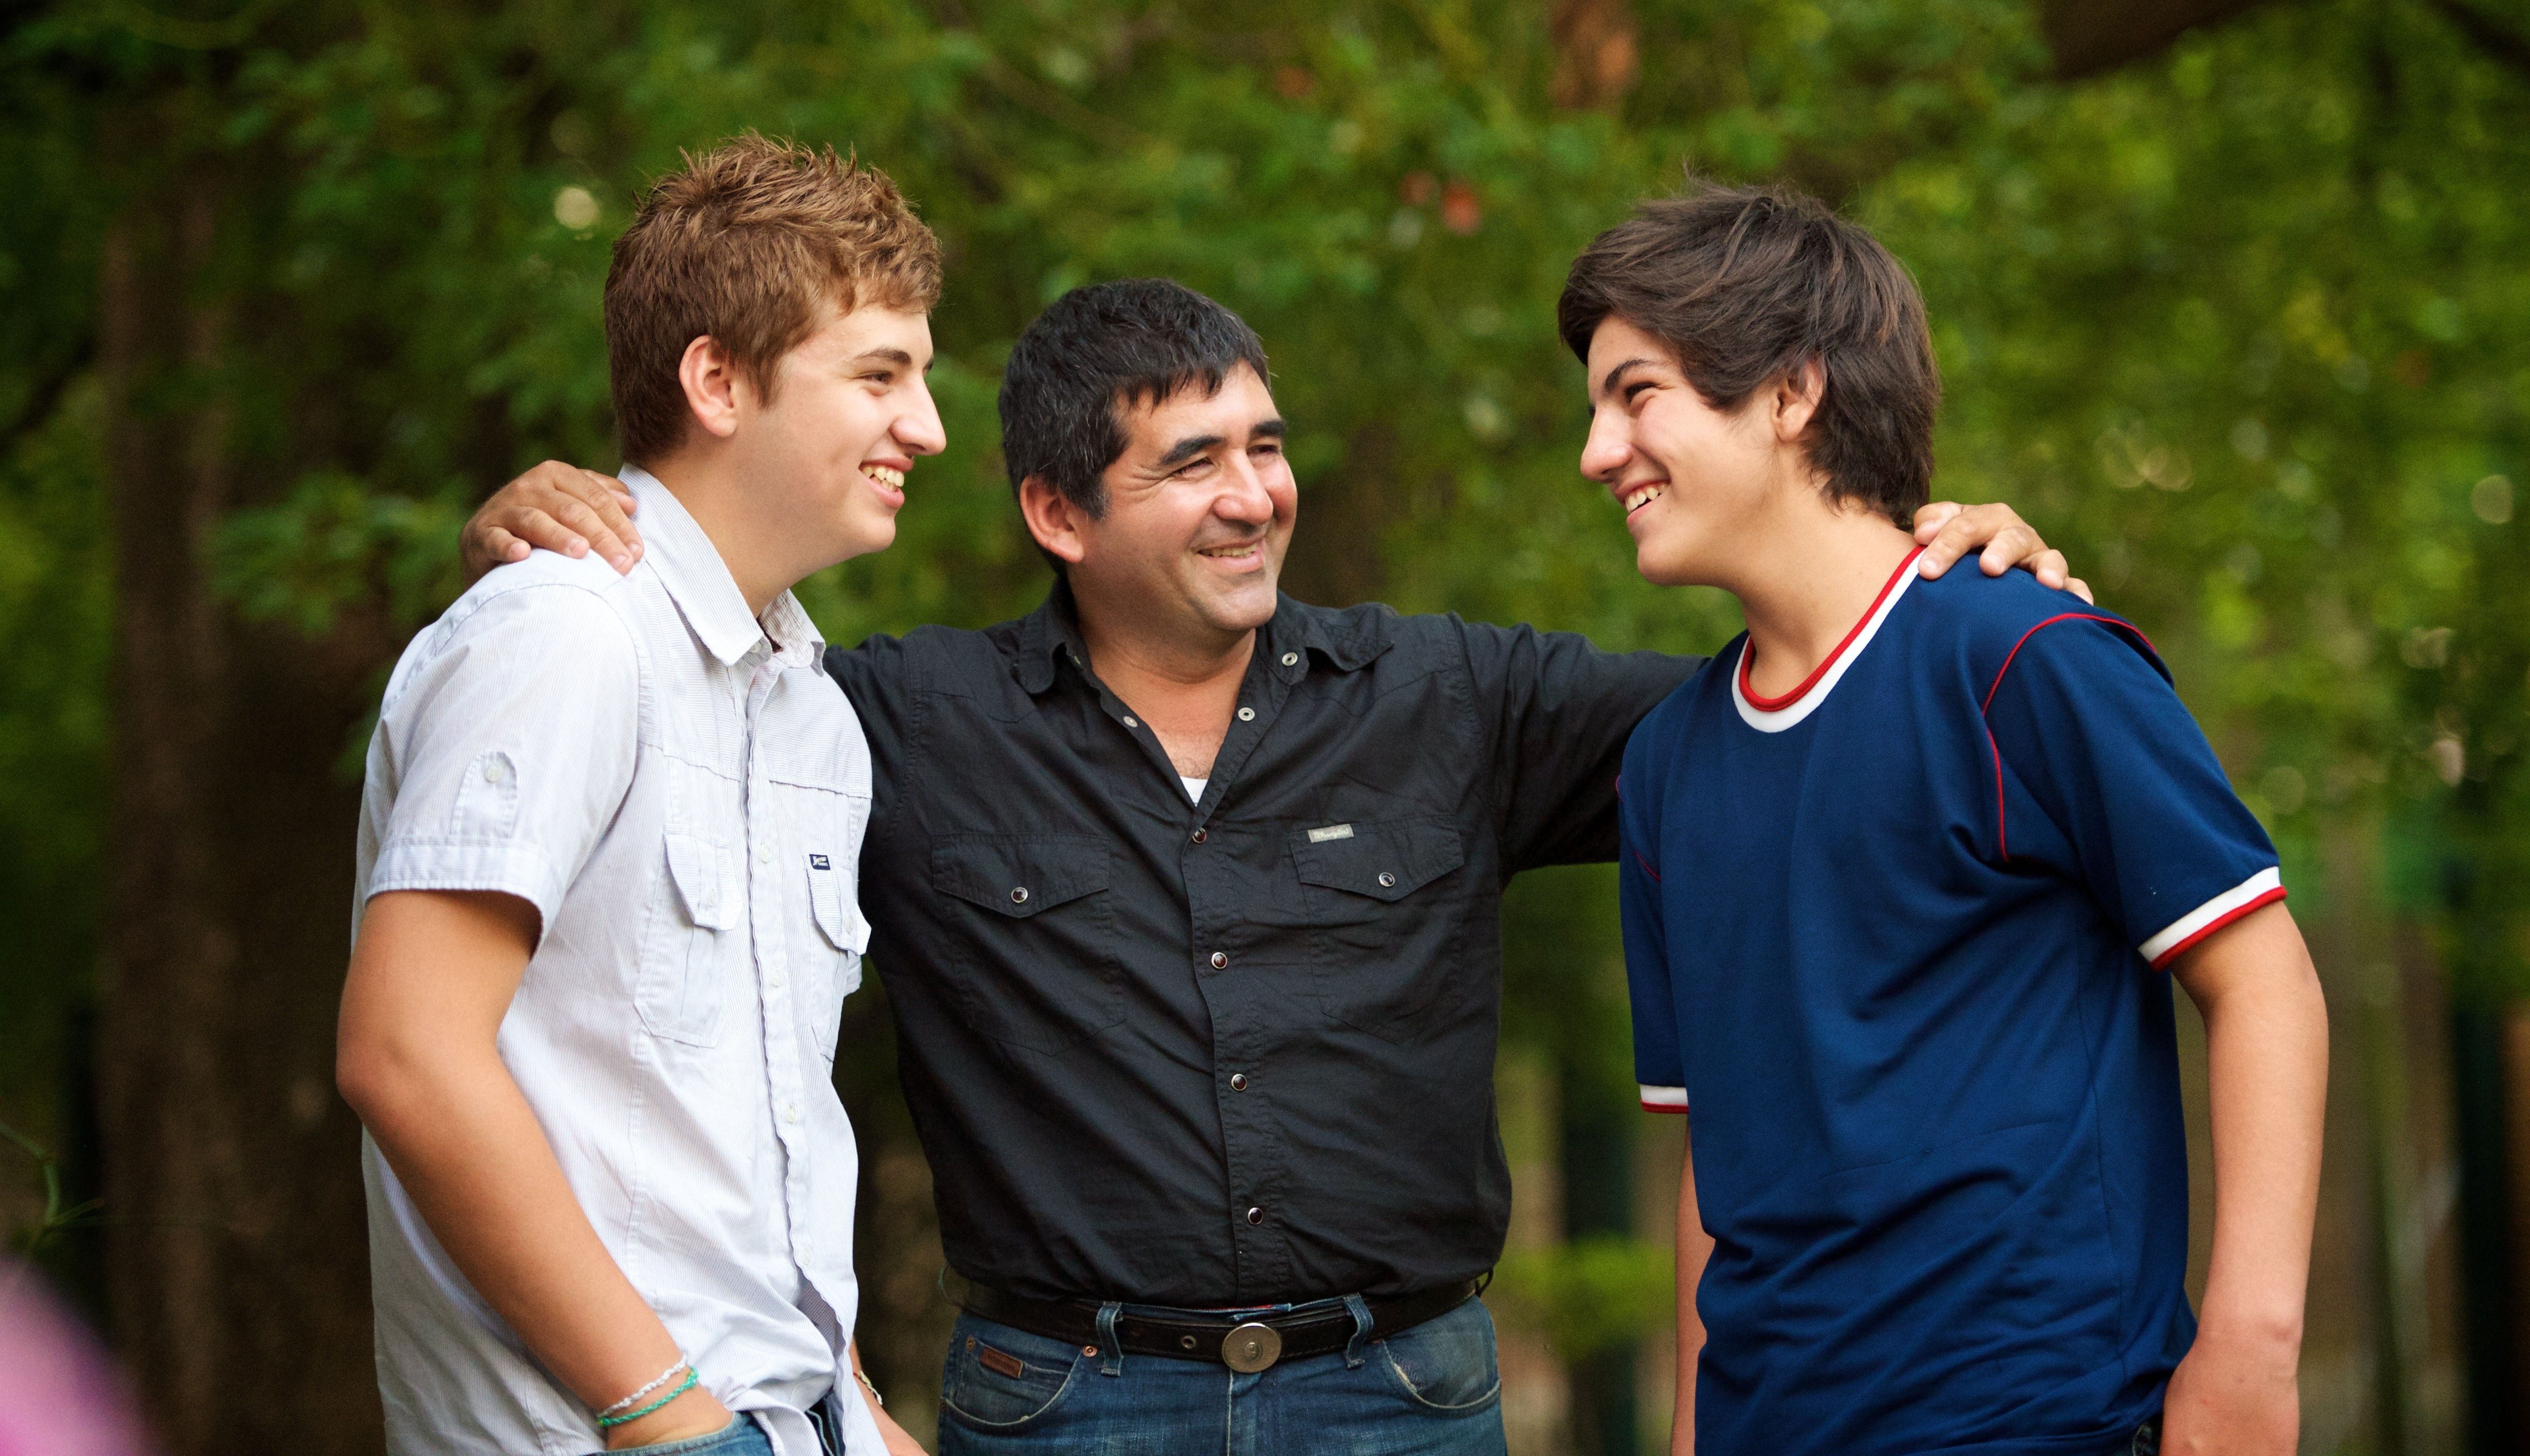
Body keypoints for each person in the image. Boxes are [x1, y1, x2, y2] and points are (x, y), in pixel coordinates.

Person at [462, 276, 2082, 1454]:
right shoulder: (886, 725)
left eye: (1266, 444)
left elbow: (1804, 714)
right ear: (1056, 512)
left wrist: (1933, 576)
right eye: (1191, 466)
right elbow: (681, 679)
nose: (1255, 498)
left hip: (1406, 1401)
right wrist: (556, 521)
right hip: (1060, 1409)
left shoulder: (1456, 699)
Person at [1567, 185, 2328, 1456]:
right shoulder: (1664, 766)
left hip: (2040, 1421)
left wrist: (2248, 1358)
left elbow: (2266, 984)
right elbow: (1720, 1156)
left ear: (1790, 392)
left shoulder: (2022, 658)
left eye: (1634, 394)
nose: (1596, 451)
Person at [337, 136, 944, 1456]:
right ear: (718, 380)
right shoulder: (564, 634)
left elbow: (747, 1124)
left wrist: (857, 1404)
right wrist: (662, 1413)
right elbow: (407, 1053)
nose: (927, 427)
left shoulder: (813, 717)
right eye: (881, 376)